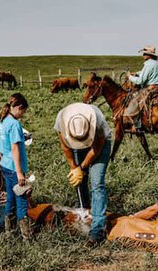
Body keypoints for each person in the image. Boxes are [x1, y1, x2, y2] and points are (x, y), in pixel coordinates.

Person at [54, 102, 112, 246]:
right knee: (80, 180)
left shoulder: (97, 120)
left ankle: (97, 232)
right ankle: (84, 213)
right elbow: (65, 147)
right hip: (79, 148)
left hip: (101, 146)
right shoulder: (62, 119)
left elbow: (96, 150)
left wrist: (83, 167)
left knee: (97, 184)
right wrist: (74, 167)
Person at [0, 93, 33, 240]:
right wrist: (19, 173)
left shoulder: (1, 121)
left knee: (10, 198)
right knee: (21, 200)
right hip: (14, 168)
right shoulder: (15, 124)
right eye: (23, 111)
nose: (22, 115)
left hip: (5, 164)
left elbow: (2, 143)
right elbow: (15, 148)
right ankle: (26, 237)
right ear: (18, 107)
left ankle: (9, 233)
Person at [124, 45, 158, 133]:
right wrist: (136, 73)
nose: (143, 55)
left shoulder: (148, 64)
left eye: (145, 53)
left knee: (135, 101)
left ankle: (137, 125)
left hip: (151, 88)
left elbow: (140, 81)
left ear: (149, 55)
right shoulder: (157, 63)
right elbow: (145, 73)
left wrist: (130, 77)